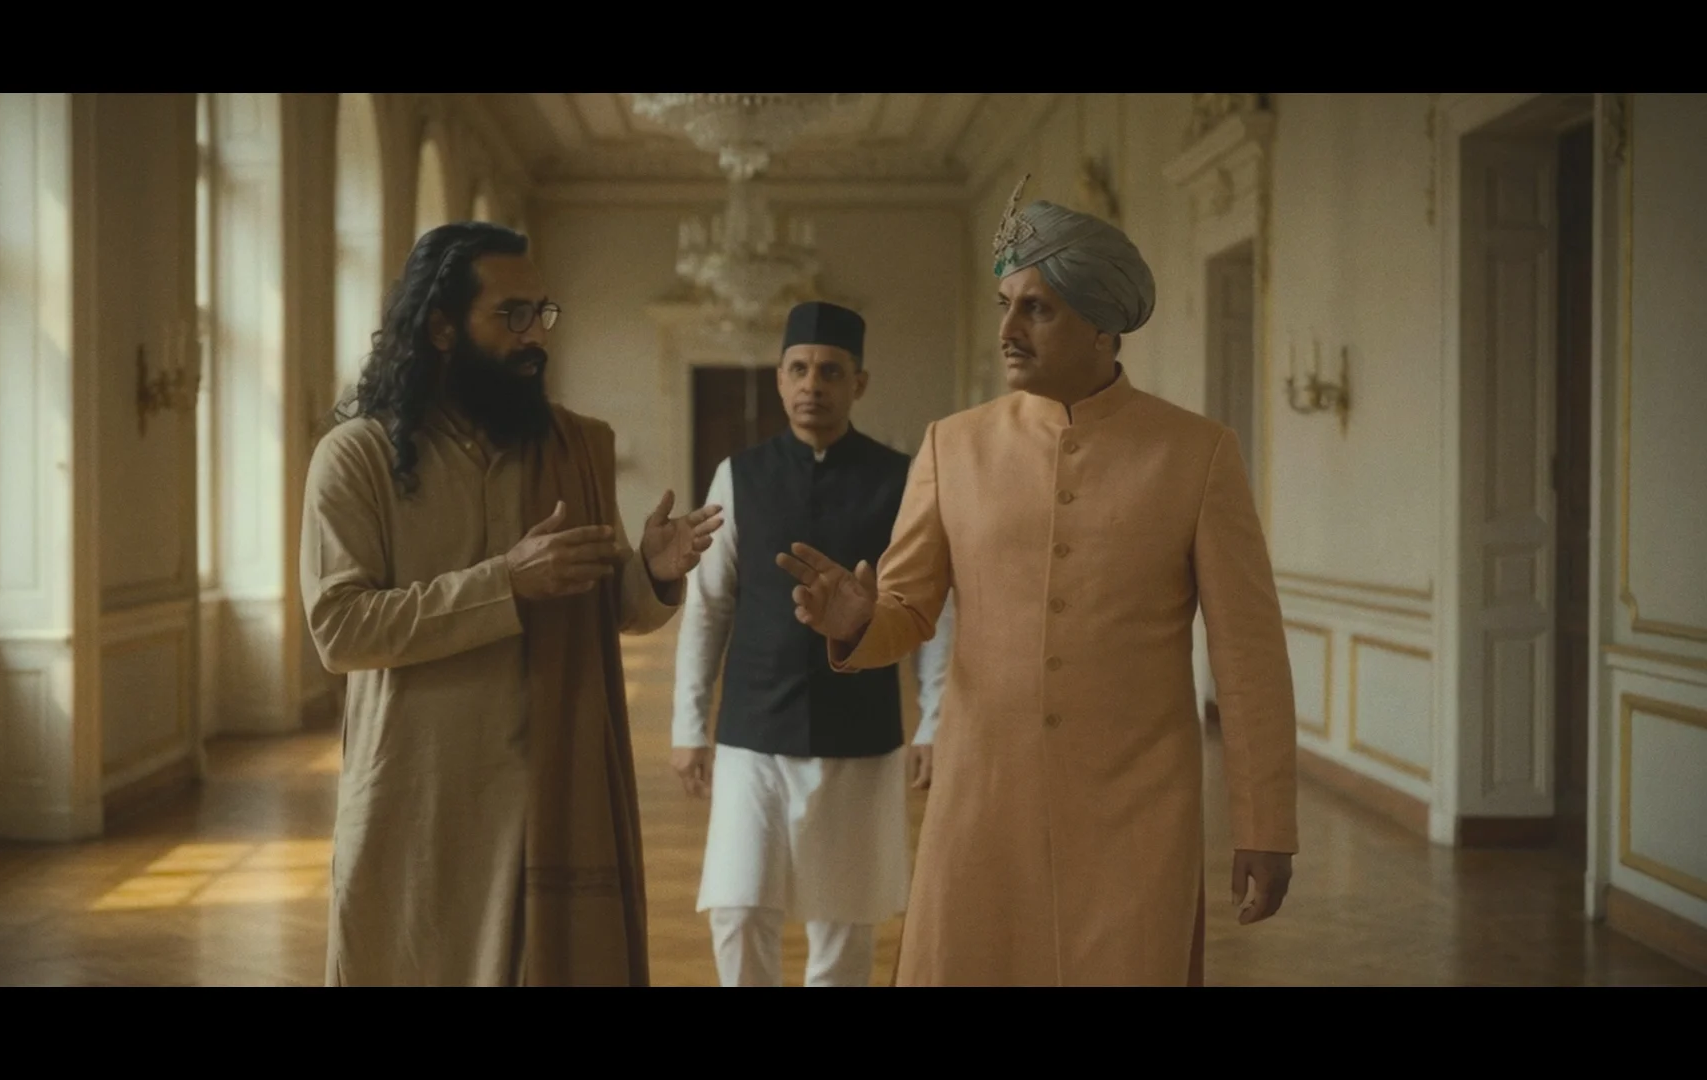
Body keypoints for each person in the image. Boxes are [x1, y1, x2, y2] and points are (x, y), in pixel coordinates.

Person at [776, 178, 1299, 986]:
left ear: (1102, 326)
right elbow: (906, 609)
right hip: (983, 798)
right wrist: (855, 621)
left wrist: (1265, 824)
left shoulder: (1197, 454)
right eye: (1004, 305)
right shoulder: (953, 446)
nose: (1008, 330)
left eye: (1037, 309)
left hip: (1137, 810)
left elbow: (1249, 655)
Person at [298, 221, 723, 986]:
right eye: (511, 315)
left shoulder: (573, 448)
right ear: (440, 327)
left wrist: (652, 574)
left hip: (550, 797)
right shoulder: (355, 456)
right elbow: (340, 629)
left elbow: (609, 607)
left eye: (542, 313)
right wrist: (505, 583)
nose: (536, 335)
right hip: (418, 801)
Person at [670, 302, 956, 987]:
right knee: (738, 909)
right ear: (779, 379)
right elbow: (708, 607)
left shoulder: (902, 478)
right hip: (752, 727)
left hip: (860, 731)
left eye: (830, 371)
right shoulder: (738, 475)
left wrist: (936, 721)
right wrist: (687, 726)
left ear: (859, 382)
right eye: (798, 369)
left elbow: (933, 613)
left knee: (844, 922)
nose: (812, 385)